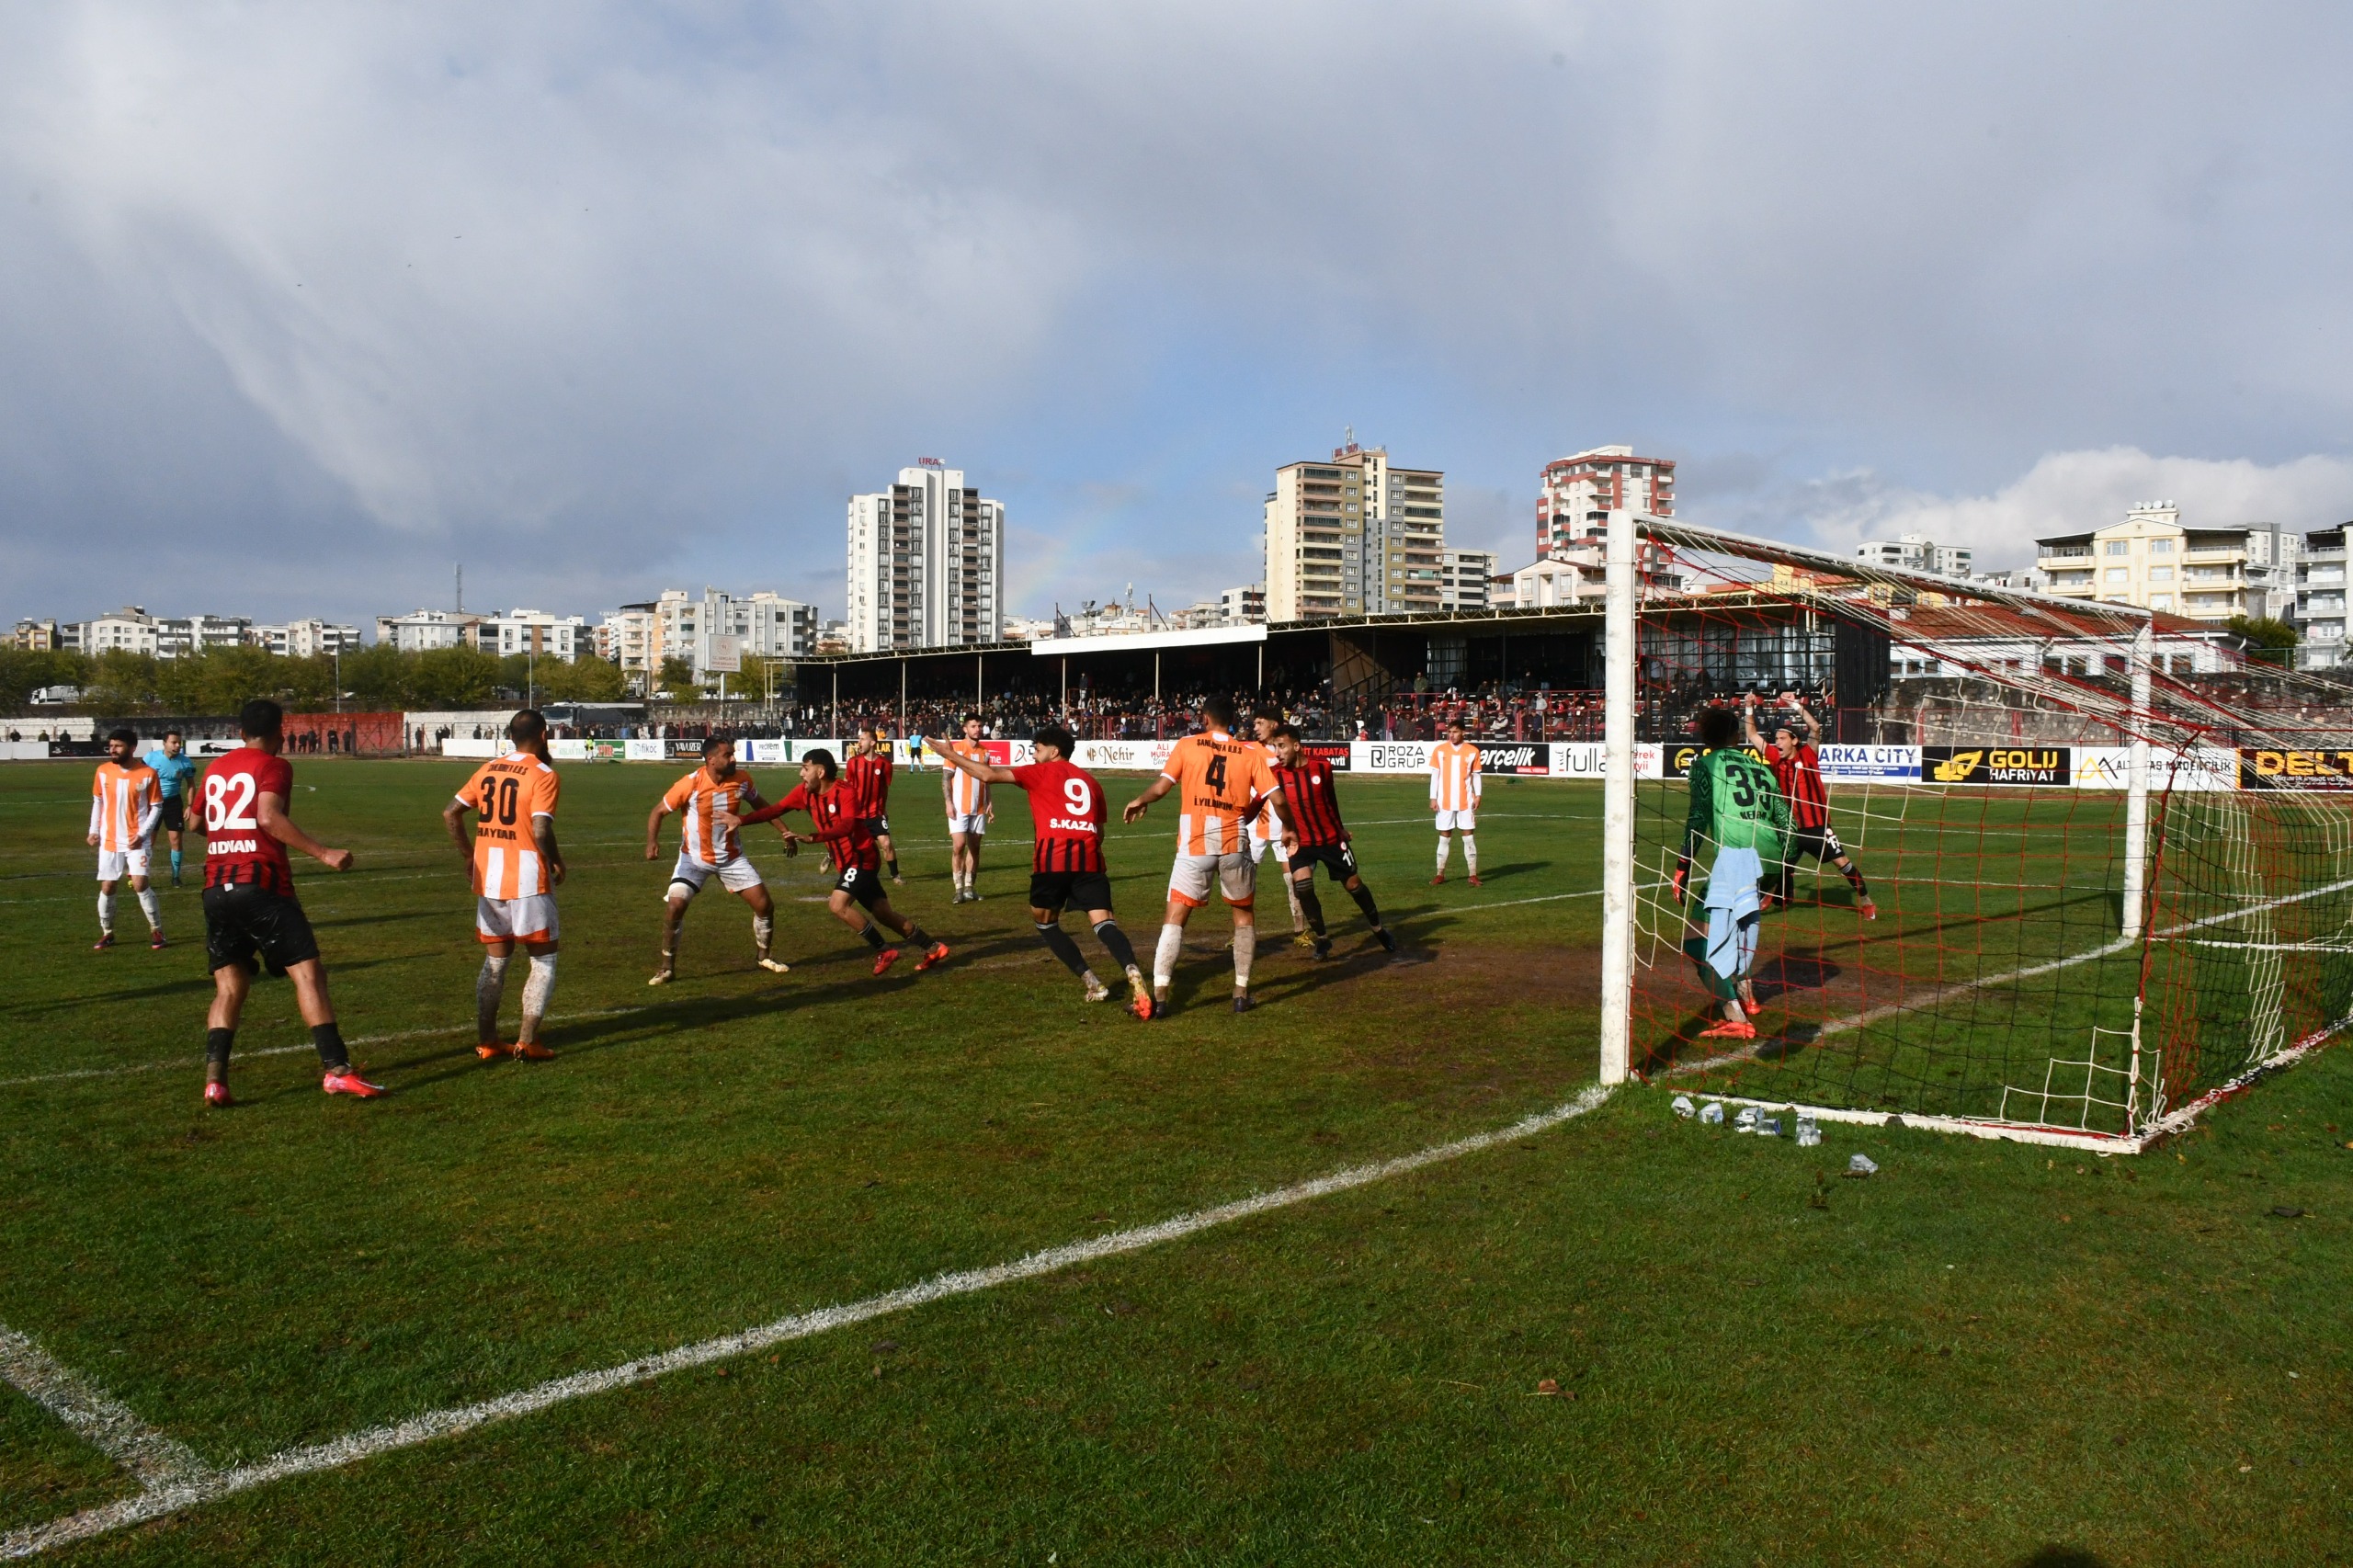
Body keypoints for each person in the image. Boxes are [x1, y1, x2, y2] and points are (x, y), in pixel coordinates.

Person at [194, 699, 381, 1105]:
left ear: (238, 730)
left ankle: (215, 1080)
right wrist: (324, 852)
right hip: (261, 886)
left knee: (229, 987)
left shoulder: (214, 768)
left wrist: (227, 838)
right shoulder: (274, 765)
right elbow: (267, 817)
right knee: (308, 975)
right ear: (280, 731)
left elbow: (195, 823)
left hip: (215, 888)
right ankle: (337, 1070)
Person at [933, 722, 1150, 1012]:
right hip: (1089, 860)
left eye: (1037, 749)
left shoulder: (1038, 772)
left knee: (1046, 923)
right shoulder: (1091, 782)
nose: (1033, 754)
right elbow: (1099, 834)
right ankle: (1132, 971)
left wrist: (951, 754)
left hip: (1053, 860)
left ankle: (1093, 984)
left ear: (1054, 751)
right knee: (1105, 923)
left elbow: (986, 774)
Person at [1120, 695, 1288, 1016]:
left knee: (1175, 919)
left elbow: (1161, 787)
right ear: (1232, 721)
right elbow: (1277, 799)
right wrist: (1290, 827)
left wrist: (1140, 800)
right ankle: (1240, 994)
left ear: (1206, 719)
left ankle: (1159, 999)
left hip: (1195, 844)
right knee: (1243, 916)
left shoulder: (1187, 744)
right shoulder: (1248, 753)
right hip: (1234, 842)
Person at [727, 751, 949, 976]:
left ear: (820, 772)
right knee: (883, 913)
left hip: (861, 857)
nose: (801, 773)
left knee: (838, 905)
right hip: (847, 862)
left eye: (805, 767)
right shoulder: (805, 793)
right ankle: (933, 947)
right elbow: (774, 810)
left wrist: (813, 837)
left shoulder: (845, 792)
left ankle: (884, 950)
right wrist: (741, 820)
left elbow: (847, 826)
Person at [443, 710, 567, 1062]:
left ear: (512, 735)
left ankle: (487, 1041)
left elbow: (450, 812)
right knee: (543, 960)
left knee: (495, 962)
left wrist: (469, 856)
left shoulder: (488, 768)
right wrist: (556, 859)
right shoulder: (543, 774)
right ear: (544, 735)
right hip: (527, 877)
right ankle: (527, 1041)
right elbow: (541, 829)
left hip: (489, 877)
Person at [1673, 704, 1791, 1041]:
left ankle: (1735, 1015)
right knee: (1737, 929)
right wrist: (1782, 875)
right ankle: (1749, 997)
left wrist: (1682, 867)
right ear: (1737, 735)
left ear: (1704, 736)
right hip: (1769, 857)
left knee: (1697, 943)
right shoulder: (1762, 768)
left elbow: (1697, 820)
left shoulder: (1705, 766)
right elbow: (1789, 825)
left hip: (1737, 858)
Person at [643, 735, 789, 985]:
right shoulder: (690, 784)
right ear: (711, 760)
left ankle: (764, 956)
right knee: (675, 906)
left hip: (731, 859)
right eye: (728, 755)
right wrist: (652, 842)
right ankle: (666, 967)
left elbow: (762, 807)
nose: (734, 758)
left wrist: (784, 831)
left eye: (733, 754)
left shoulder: (742, 780)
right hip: (694, 859)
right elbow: (658, 811)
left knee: (765, 906)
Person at [1268, 724, 1398, 959]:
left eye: (1281, 746)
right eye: (1274, 747)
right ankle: (1322, 939)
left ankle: (1378, 929)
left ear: (1296, 746)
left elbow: (1331, 801)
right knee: (1303, 887)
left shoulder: (1323, 767)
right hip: (1302, 842)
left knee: (1354, 886)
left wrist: (1341, 829)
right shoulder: (1275, 774)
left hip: (1330, 840)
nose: (1277, 752)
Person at [1744, 693, 1876, 920]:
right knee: (1777, 864)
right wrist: (1748, 707)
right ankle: (1776, 895)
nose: (1777, 742)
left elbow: (1815, 727)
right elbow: (1751, 734)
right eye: (1776, 739)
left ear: (1794, 740)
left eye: (1782, 738)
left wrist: (1794, 704)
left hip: (1817, 827)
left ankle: (1865, 900)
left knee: (1843, 865)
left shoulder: (1808, 754)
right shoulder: (1775, 757)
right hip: (1790, 827)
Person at [88, 728, 165, 950]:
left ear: (132, 748)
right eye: (111, 745)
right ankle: (107, 933)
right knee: (108, 886)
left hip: (137, 841)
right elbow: (98, 802)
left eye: (118, 746)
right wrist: (94, 830)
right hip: (110, 840)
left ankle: (156, 930)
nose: (112, 749)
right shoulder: (102, 772)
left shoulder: (148, 773)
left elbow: (156, 807)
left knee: (140, 884)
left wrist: (141, 835)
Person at [1247, 709, 1310, 947]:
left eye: (1260, 722)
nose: (1255, 727)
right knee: (1245, 881)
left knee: (1293, 881)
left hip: (1285, 826)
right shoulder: (1248, 750)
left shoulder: (1285, 751)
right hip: (1255, 826)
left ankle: (1300, 931)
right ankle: (1244, 934)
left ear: (1273, 724)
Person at [942, 714, 994, 903]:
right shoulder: (955, 750)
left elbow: (987, 779)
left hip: (979, 807)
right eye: (973, 726)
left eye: (979, 726)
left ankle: (970, 888)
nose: (977, 729)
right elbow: (946, 779)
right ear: (965, 729)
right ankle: (958, 888)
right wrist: (948, 803)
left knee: (975, 848)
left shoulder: (985, 752)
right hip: (958, 807)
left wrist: (989, 802)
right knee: (959, 846)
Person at [844, 726, 902, 884]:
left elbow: (885, 789)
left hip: (876, 813)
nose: (859, 742)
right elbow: (847, 787)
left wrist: (884, 809)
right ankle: (837, 861)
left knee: (887, 843)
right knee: (851, 846)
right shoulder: (853, 763)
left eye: (862, 739)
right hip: (857, 814)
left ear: (873, 742)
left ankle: (895, 875)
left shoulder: (885, 764)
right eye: (859, 739)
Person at [1428, 719, 1483, 886]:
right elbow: (1435, 775)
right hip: (1444, 801)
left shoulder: (1472, 751)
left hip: (1465, 800)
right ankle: (1440, 874)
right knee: (1444, 838)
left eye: (1455, 732)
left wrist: (1478, 795)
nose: (1452, 735)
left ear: (1463, 733)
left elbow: (1477, 775)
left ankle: (1472, 875)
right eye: (1450, 732)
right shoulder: (1440, 750)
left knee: (1468, 838)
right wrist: (1433, 797)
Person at [143, 729, 199, 886]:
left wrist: (190, 806)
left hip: (173, 804)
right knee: (149, 840)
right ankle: (142, 875)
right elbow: (139, 778)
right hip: (153, 804)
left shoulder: (185, 762)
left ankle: (176, 876)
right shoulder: (150, 758)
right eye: (173, 742)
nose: (177, 746)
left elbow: (190, 785)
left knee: (176, 841)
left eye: (179, 743)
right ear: (164, 743)